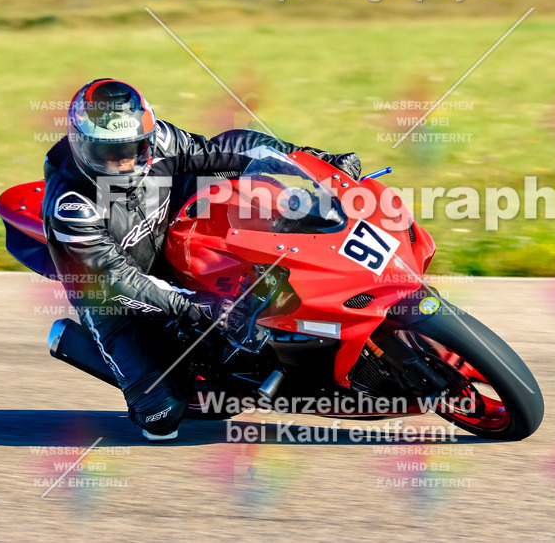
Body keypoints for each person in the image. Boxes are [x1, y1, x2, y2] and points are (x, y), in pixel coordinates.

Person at [41, 78, 360, 440]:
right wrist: (202, 308)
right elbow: (120, 278)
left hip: (174, 237)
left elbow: (221, 149)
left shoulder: (158, 139)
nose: (126, 162)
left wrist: (317, 160)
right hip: (113, 297)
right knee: (161, 417)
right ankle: (90, 348)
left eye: (134, 147)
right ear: (82, 145)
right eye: (110, 153)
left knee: (239, 171)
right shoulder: (72, 206)